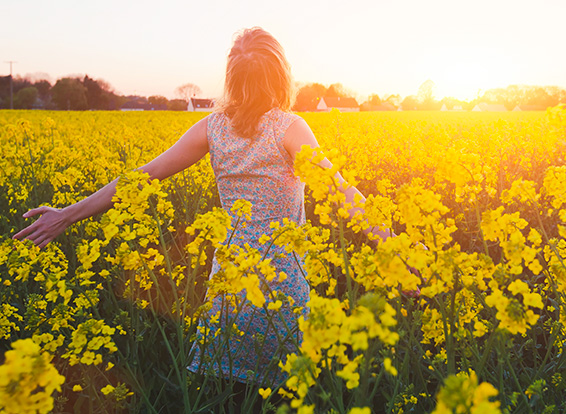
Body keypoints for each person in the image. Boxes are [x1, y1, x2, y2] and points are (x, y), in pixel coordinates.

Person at [16, 27, 392, 390]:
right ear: (281, 75)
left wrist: (67, 214)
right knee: (283, 393)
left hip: (230, 282)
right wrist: (393, 248)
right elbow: (341, 192)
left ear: (232, 77)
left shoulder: (212, 128)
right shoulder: (290, 128)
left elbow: (141, 176)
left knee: (223, 392)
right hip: (280, 283)